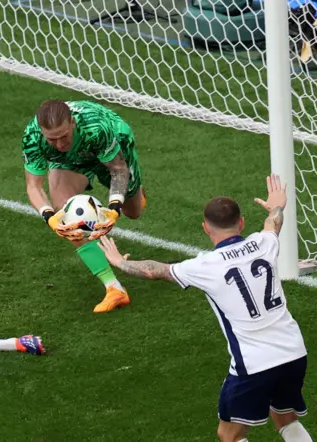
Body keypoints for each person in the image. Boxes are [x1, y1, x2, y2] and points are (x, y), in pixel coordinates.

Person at [98, 174, 310, 442]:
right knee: (285, 418)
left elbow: (155, 271)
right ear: (241, 222)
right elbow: (273, 223)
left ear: (206, 228)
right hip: (293, 351)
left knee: (229, 434)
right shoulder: (264, 243)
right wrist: (277, 205)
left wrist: (119, 262)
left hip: (254, 363)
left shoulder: (204, 266)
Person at [21, 99, 146, 313]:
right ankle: (114, 288)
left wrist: (114, 207)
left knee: (133, 211)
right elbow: (33, 186)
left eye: (63, 136)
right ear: (42, 132)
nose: (59, 144)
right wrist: (50, 217)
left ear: (72, 123)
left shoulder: (96, 128)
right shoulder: (33, 137)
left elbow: (118, 170)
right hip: (68, 161)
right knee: (68, 218)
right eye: (52, 139)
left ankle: (138, 194)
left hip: (113, 152)